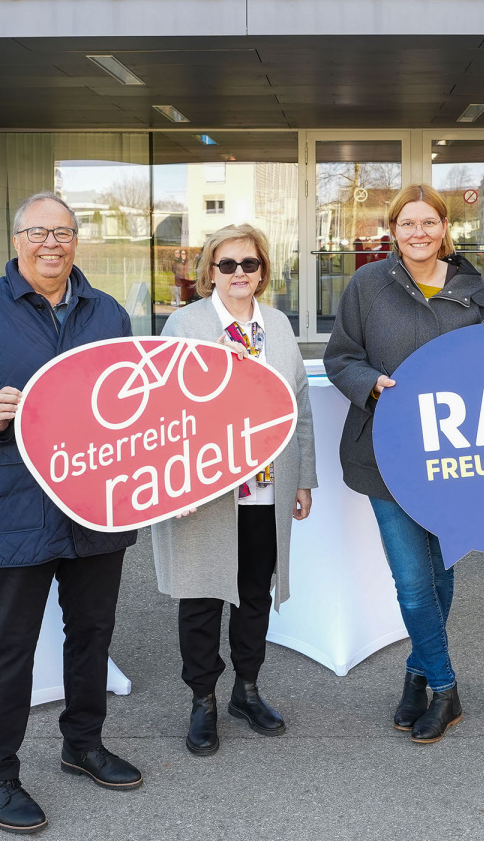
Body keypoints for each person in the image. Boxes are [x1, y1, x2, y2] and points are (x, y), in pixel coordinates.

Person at [0, 191, 142, 835]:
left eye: (64, 233)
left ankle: (83, 744)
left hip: (97, 505)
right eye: (39, 232)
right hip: (20, 501)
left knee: (93, 632)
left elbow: (133, 404)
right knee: (10, 642)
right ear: (17, 240)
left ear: (77, 242)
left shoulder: (108, 313)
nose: (52, 243)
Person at [325, 184, 484, 744]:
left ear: (444, 227)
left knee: (440, 571)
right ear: (394, 231)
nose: (419, 233)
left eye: (429, 222)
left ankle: (418, 672)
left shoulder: (470, 289)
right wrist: (371, 385)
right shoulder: (367, 284)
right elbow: (341, 357)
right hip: (384, 452)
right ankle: (446, 688)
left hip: (452, 457)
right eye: (407, 224)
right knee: (412, 580)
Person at [152, 223, 317, 757]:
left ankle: (247, 689)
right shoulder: (185, 324)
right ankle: (203, 700)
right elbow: (163, 411)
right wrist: (174, 485)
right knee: (201, 596)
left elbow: (300, 404)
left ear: (262, 272)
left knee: (253, 597)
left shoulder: (278, 326)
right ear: (210, 272)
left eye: (249, 264)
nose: (239, 274)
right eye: (227, 265)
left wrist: (304, 478)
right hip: (205, 490)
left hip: (267, 489)